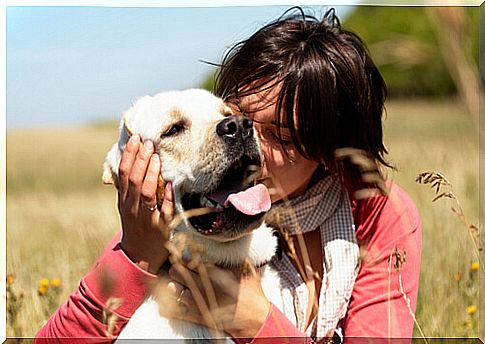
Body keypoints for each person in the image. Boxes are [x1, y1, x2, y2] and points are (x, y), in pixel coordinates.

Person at [34, 7, 421, 343]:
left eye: (283, 137)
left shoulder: (373, 213)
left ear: (331, 154)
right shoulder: (174, 218)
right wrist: (137, 252)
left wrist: (254, 321)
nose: (245, 141)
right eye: (234, 119)